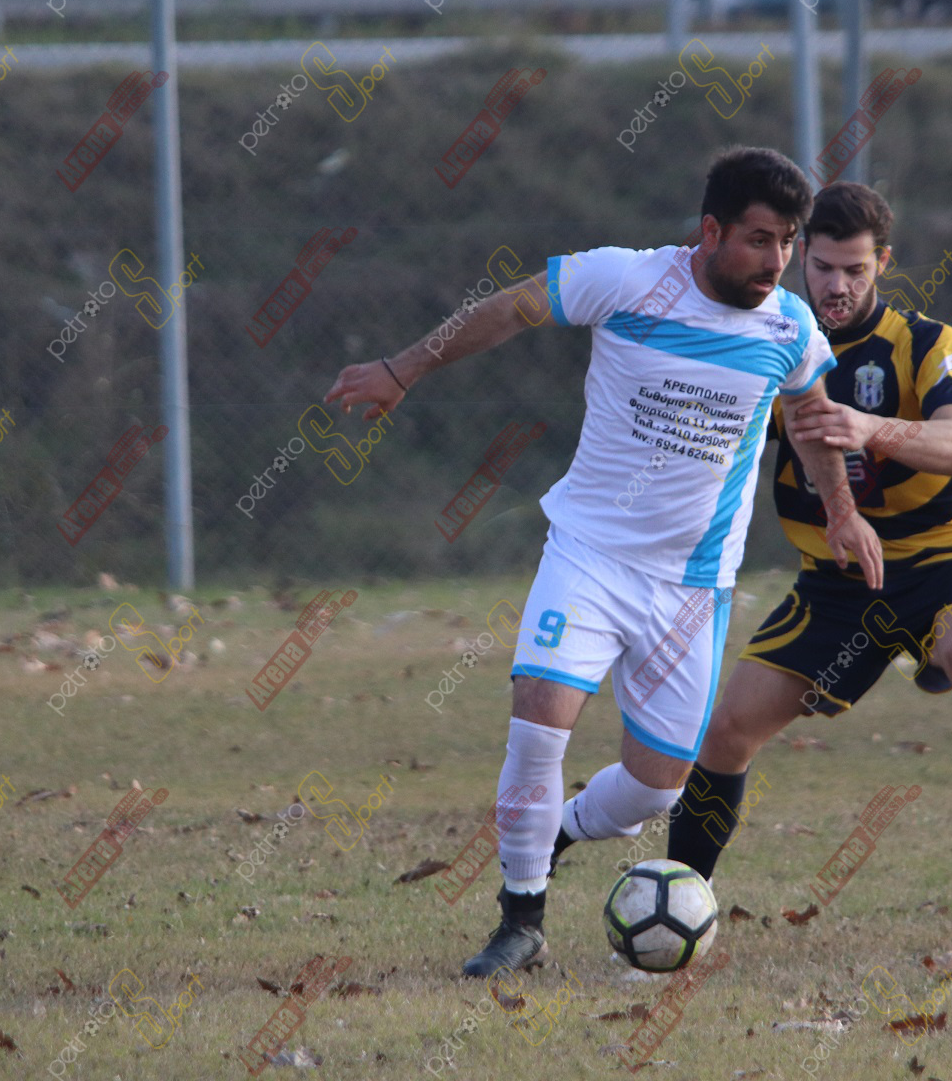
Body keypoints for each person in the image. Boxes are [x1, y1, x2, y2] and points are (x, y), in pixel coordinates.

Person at [326, 147, 883, 975]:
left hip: (692, 587)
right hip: (589, 555)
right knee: (537, 723)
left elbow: (809, 416)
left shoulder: (790, 327)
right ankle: (521, 920)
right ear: (710, 231)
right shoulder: (625, 280)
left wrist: (841, 510)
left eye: (787, 242)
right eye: (760, 240)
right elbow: (511, 308)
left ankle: (551, 833)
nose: (776, 262)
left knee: (656, 787)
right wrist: (399, 370)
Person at [647, 181, 952, 920]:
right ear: (800, 257)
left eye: (856, 270)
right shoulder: (769, 342)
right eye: (823, 267)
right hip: (839, 580)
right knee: (727, 728)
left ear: (884, 265)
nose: (837, 286)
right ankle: (680, 900)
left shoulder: (927, 343)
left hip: (944, 556)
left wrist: (867, 428)